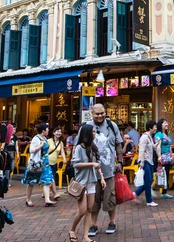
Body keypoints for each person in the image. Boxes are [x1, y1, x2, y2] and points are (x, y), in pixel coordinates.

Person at [77, 104, 123, 237]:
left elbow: (118, 144)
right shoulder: (86, 127)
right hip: (91, 172)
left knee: (110, 198)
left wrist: (119, 161)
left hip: (109, 171)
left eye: (102, 113)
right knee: (93, 201)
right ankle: (93, 225)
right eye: (97, 114)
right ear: (91, 113)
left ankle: (112, 222)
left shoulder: (112, 125)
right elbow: (78, 147)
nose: (100, 116)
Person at [69, 124, 106, 242]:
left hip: (92, 181)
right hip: (81, 183)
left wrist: (102, 177)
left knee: (90, 209)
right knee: (82, 210)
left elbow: (97, 164)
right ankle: (72, 229)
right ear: (87, 134)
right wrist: (91, 164)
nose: (94, 134)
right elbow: (75, 164)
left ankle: (85, 237)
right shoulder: (79, 148)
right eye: (93, 132)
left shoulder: (93, 147)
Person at [22, 123, 57, 208]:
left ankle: (47, 200)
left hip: (45, 163)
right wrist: (41, 146)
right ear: (43, 131)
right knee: (31, 182)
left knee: (47, 180)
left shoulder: (45, 138)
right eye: (47, 129)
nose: (48, 130)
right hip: (36, 163)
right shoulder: (36, 139)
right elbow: (32, 150)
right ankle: (28, 199)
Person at [133, 120, 159, 207]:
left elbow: (152, 147)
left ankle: (135, 193)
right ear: (150, 128)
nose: (156, 128)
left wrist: (157, 144)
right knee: (148, 180)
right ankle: (149, 200)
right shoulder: (144, 137)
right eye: (155, 127)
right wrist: (142, 161)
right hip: (145, 161)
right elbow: (142, 149)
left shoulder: (149, 137)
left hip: (149, 161)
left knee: (150, 180)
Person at [154, 119, 173, 199]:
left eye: (166, 122)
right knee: (160, 174)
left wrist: (171, 156)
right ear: (160, 125)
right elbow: (158, 146)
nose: (167, 124)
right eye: (164, 123)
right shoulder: (158, 134)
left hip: (168, 157)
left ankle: (164, 192)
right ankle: (152, 188)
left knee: (166, 174)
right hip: (162, 157)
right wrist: (159, 156)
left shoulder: (167, 134)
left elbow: (170, 146)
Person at [47, 126, 67, 199]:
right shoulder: (48, 141)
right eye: (57, 131)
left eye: (60, 131)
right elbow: (45, 151)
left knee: (50, 178)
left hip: (54, 162)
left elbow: (62, 151)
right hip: (47, 162)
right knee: (51, 178)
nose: (59, 133)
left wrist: (64, 158)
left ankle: (45, 192)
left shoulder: (61, 142)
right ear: (53, 133)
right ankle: (55, 193)